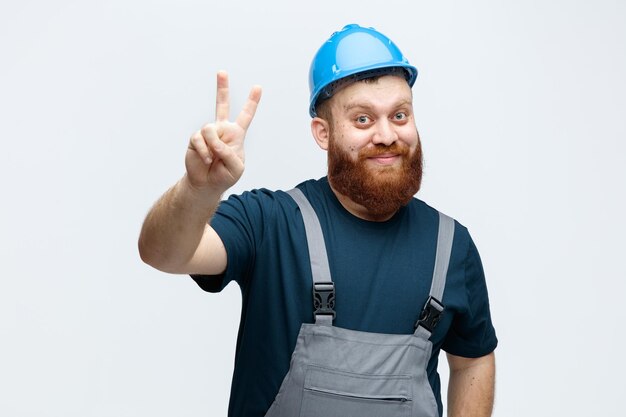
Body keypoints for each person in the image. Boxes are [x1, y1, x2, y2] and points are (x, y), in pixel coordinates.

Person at [139, 24, 497, 417]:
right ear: (322, 133)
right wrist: (198, 189)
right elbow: (163, 253)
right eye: (362, 119)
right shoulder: (270, 223)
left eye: (399, 115)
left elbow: (472, 360)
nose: (386, 135)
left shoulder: (451, 246)